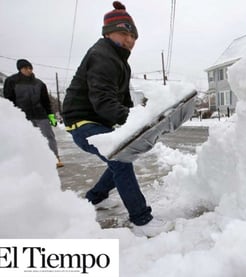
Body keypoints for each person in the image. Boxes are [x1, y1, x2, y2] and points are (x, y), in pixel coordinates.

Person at [62, 1, 173, 237]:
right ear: (108, 32)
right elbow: (103, 101)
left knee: (120, 156)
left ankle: (94, 198)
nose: (130, 40)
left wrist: (136, 119)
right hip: (82, 122)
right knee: (121, 159)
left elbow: (122, 102)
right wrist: (133, 119)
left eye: (133, 36)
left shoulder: (119, 60)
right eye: (124, 33)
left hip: (95, 120)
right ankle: (141, 220)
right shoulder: (102, 56)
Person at [4, 59, 64, 168]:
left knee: (49, 136)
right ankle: (29, 161)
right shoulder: (11, 81)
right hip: (22, 115)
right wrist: (11, 115)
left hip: (40, 114)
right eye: (25, 68)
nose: (28, 70)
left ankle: (54, 157)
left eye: (30, 68)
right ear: (20, 69)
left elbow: (45, 101)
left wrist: (51, 116)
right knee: (24, 138)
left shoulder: (39, 83)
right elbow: (9, 99)